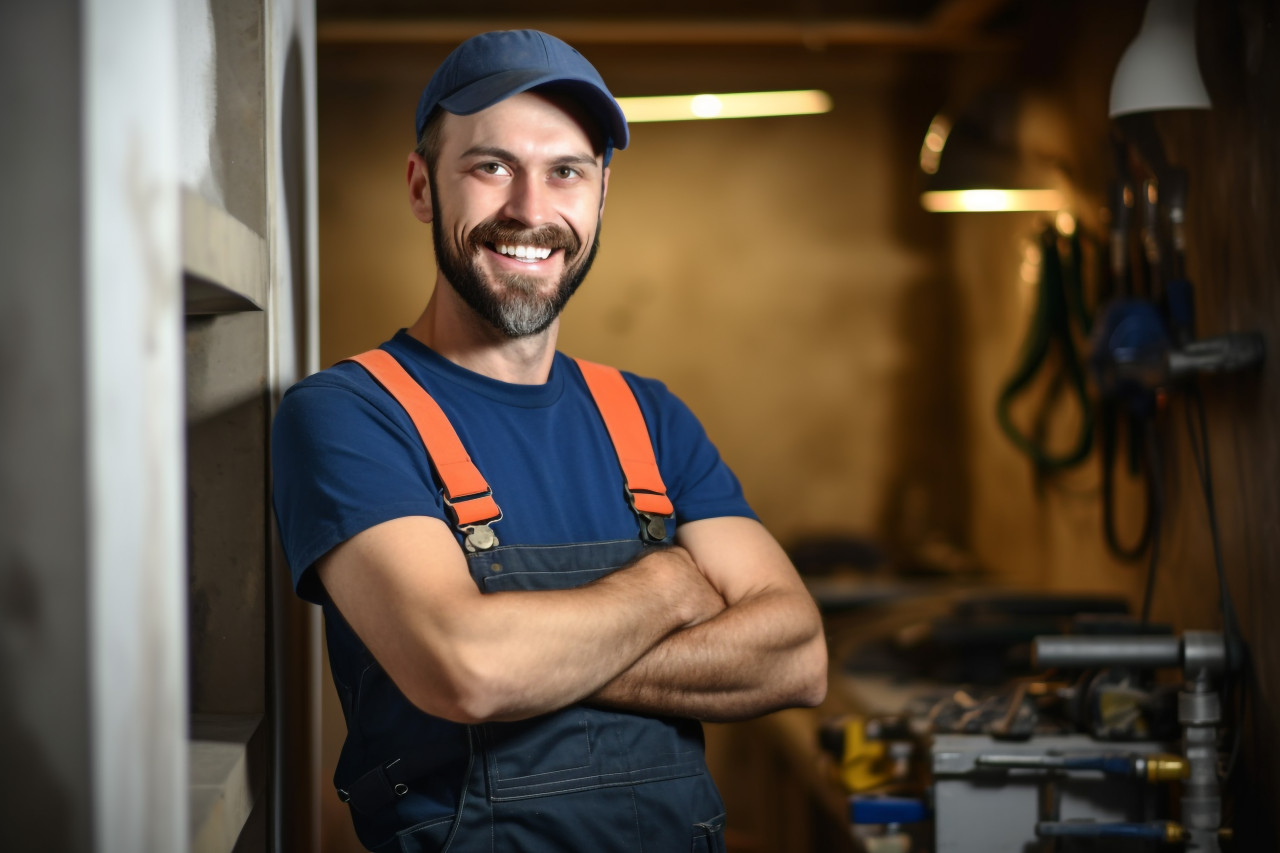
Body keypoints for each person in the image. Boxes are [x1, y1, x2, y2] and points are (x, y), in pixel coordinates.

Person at [272, 29, 827, 853]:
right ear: (423, 187)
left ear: (602, 193)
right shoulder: (348, 414)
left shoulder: (649, 416)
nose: (531, 212)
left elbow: (797, 655)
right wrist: (670, 587)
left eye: (566, 171)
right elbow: (466, 668)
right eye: (491, 166)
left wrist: (537, 658)